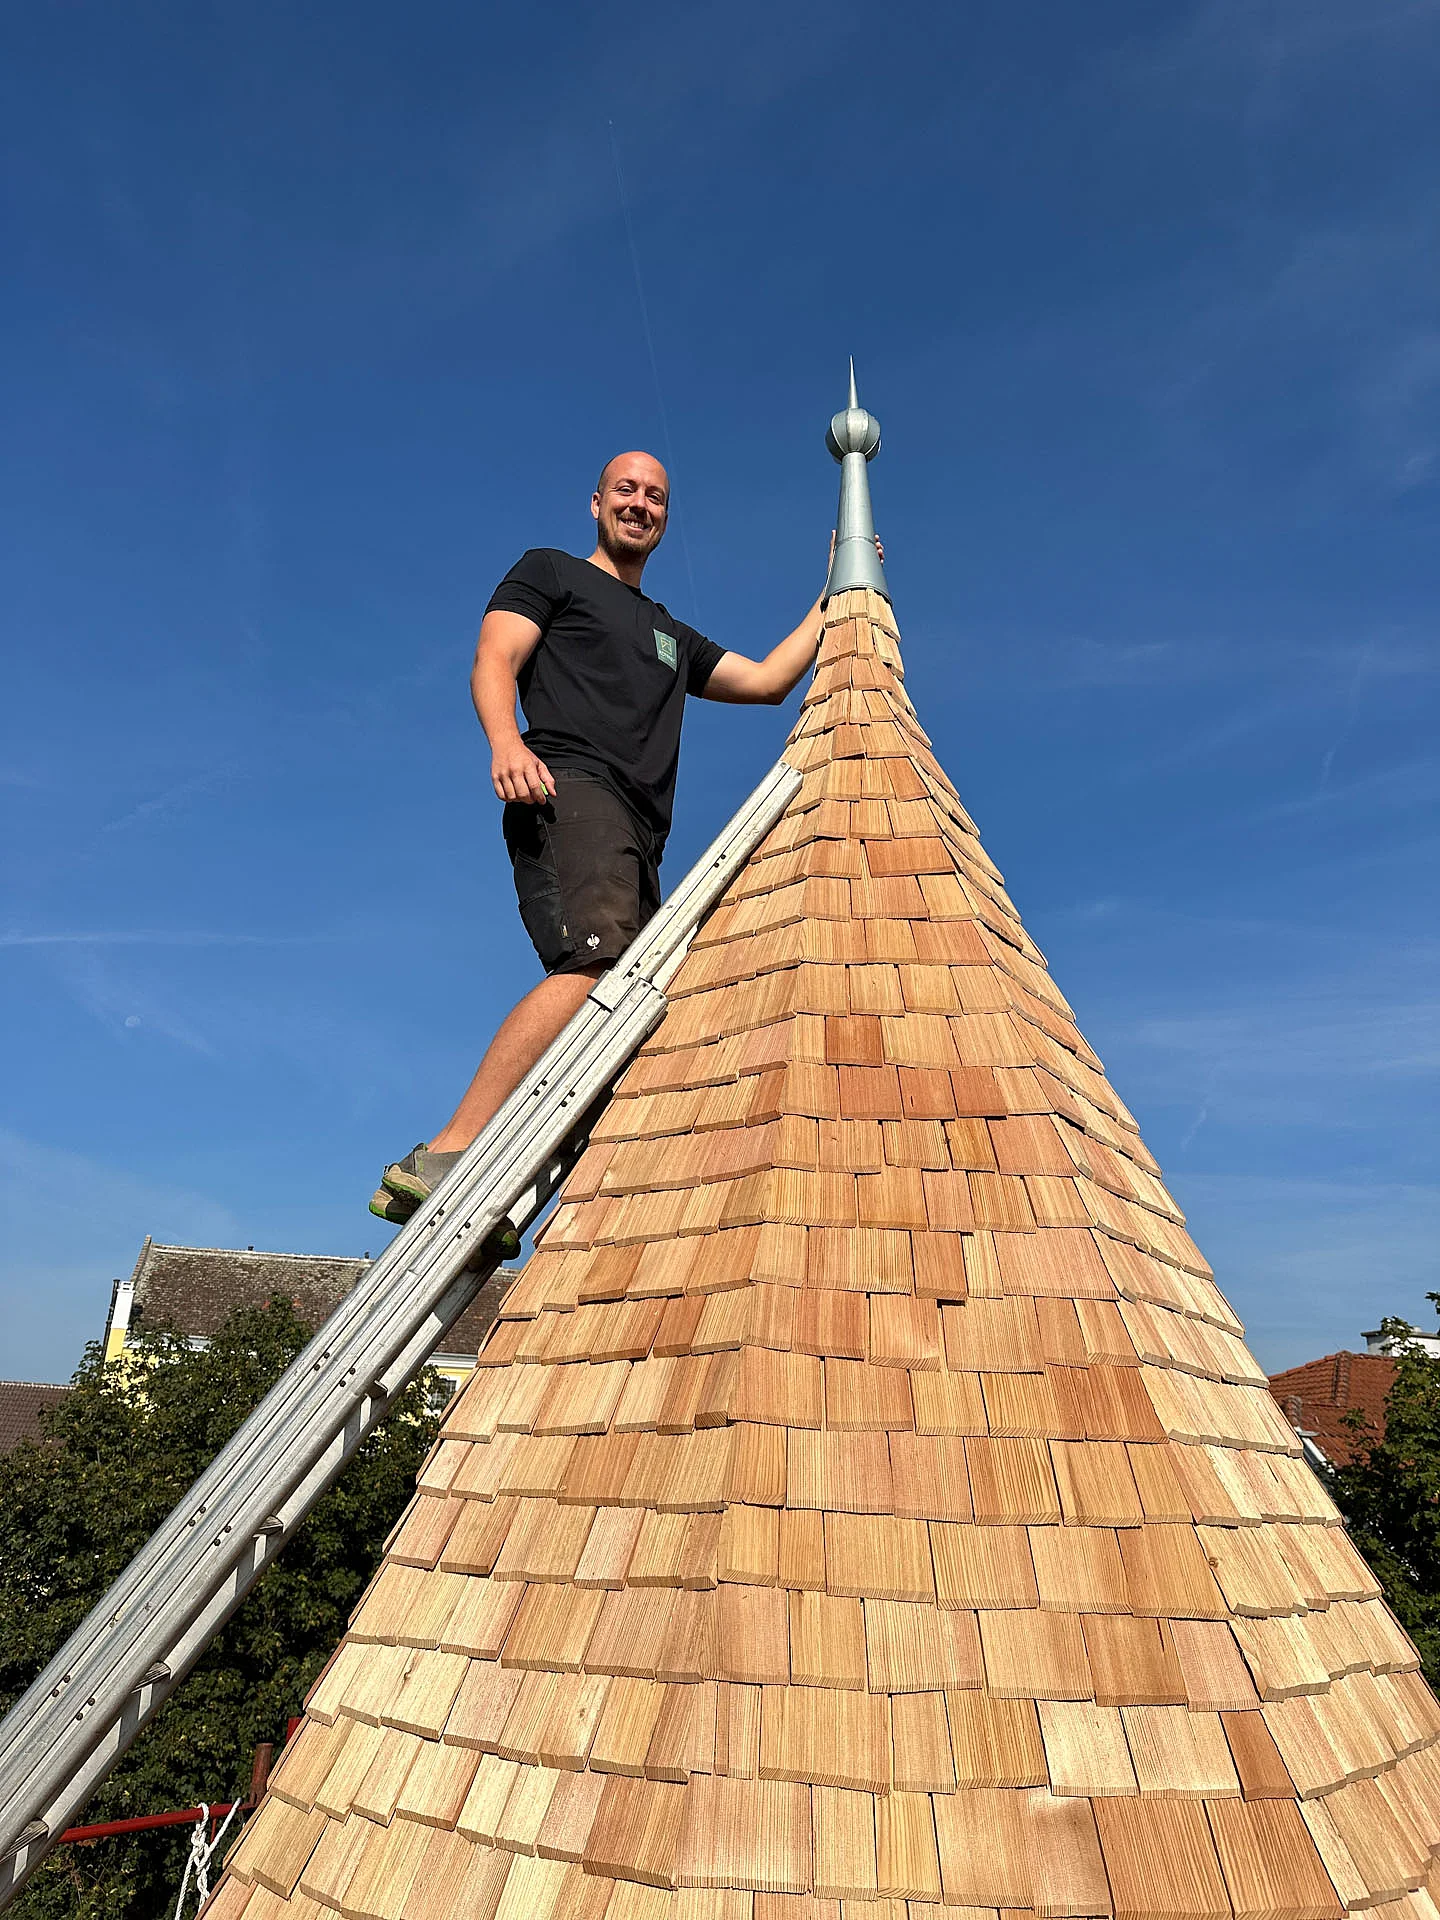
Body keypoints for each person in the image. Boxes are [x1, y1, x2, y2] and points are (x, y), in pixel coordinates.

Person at [370, 450, 878, 1221]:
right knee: (599, 965)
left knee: (630, 1005)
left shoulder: (671, 635)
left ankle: (502, 1186)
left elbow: (771, 682)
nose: (640, 504)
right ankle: (449, 1150)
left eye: (656, 497)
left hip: (640, 834)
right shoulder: (551, 573)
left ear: (665, 517)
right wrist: (506, 743)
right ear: (597, 502)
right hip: (567, 787)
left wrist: (837, 585)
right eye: (626, 491)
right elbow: (494, 657)